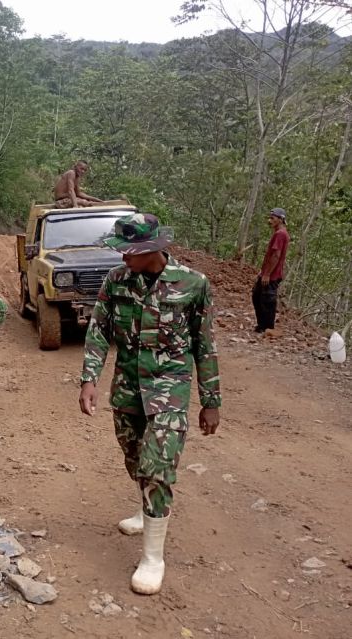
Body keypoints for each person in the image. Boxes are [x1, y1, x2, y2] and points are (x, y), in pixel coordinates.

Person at [78, 213, 222, 595]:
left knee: (156, 465)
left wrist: (211, 401)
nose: (122, 257)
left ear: (154, 249)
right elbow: (98, 331)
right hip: (127, 388)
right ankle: (146, 510)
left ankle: (153, 558)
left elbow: (204, 345)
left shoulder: (194, 284)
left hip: (170, 390)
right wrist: (89, 379)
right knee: (134, 458)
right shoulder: (116, 281)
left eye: (130, 251)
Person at [252, 207, 290, 333]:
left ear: (280, 219)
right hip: (268, 273)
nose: (270, 221)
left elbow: (276, 255)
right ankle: (261, 327)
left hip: (272, 275)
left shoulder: (280, 234)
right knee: (257, 296)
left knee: (267, 301)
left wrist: (267, 274)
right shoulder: (280, 233)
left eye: (272, 218)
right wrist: (263, 272)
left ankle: (267, 329)